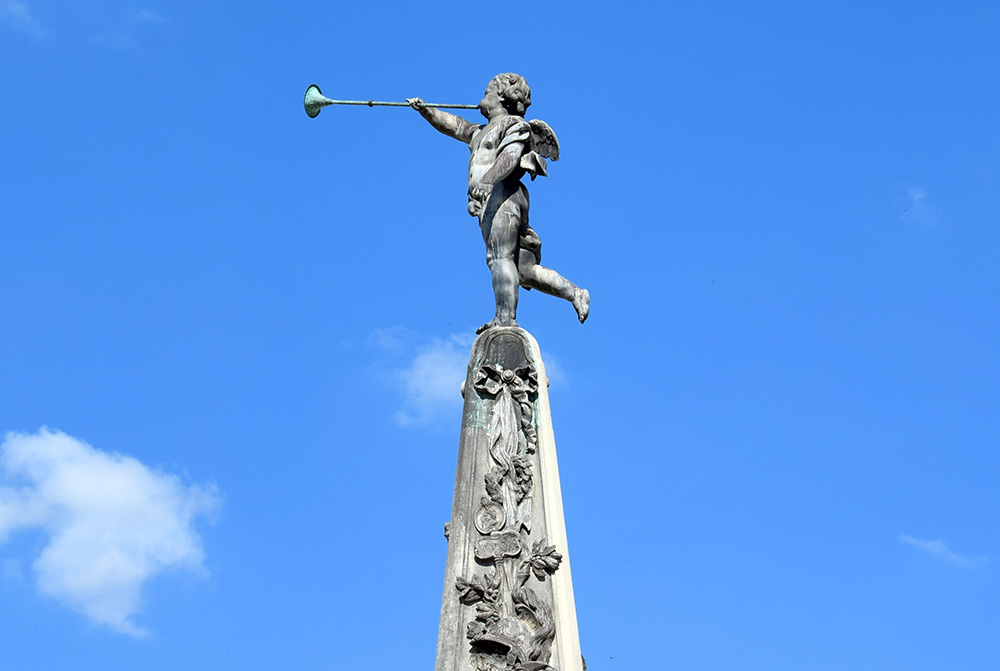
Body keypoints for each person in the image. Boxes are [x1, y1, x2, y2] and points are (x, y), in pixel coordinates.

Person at [407, 73, 589, 333]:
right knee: (524, 271)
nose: (482, 96)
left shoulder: (514, 124)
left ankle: (504, 319)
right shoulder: (478, 132)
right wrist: (425, 110)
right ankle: (575, 293)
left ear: (503, 96)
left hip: (503, 196)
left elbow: (511, 156)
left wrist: (487, 181)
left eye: (487, 91)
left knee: (499, 257)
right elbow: (452, 124)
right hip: (491, 201)